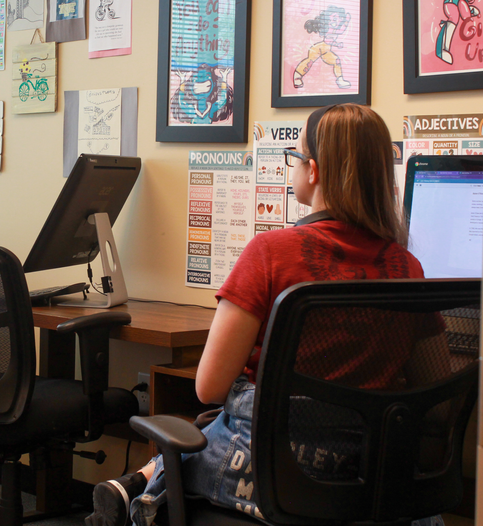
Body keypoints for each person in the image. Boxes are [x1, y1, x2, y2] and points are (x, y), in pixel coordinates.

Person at [86, 104, 448, 526]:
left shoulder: (271, 254)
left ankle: (139, 485)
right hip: (365, 482)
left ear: (312, 170)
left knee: (211, 421)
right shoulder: (408, 268)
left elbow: (209, 384)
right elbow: (436, 398)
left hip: (269, 475)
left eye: (294, 157)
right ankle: (141, 481)